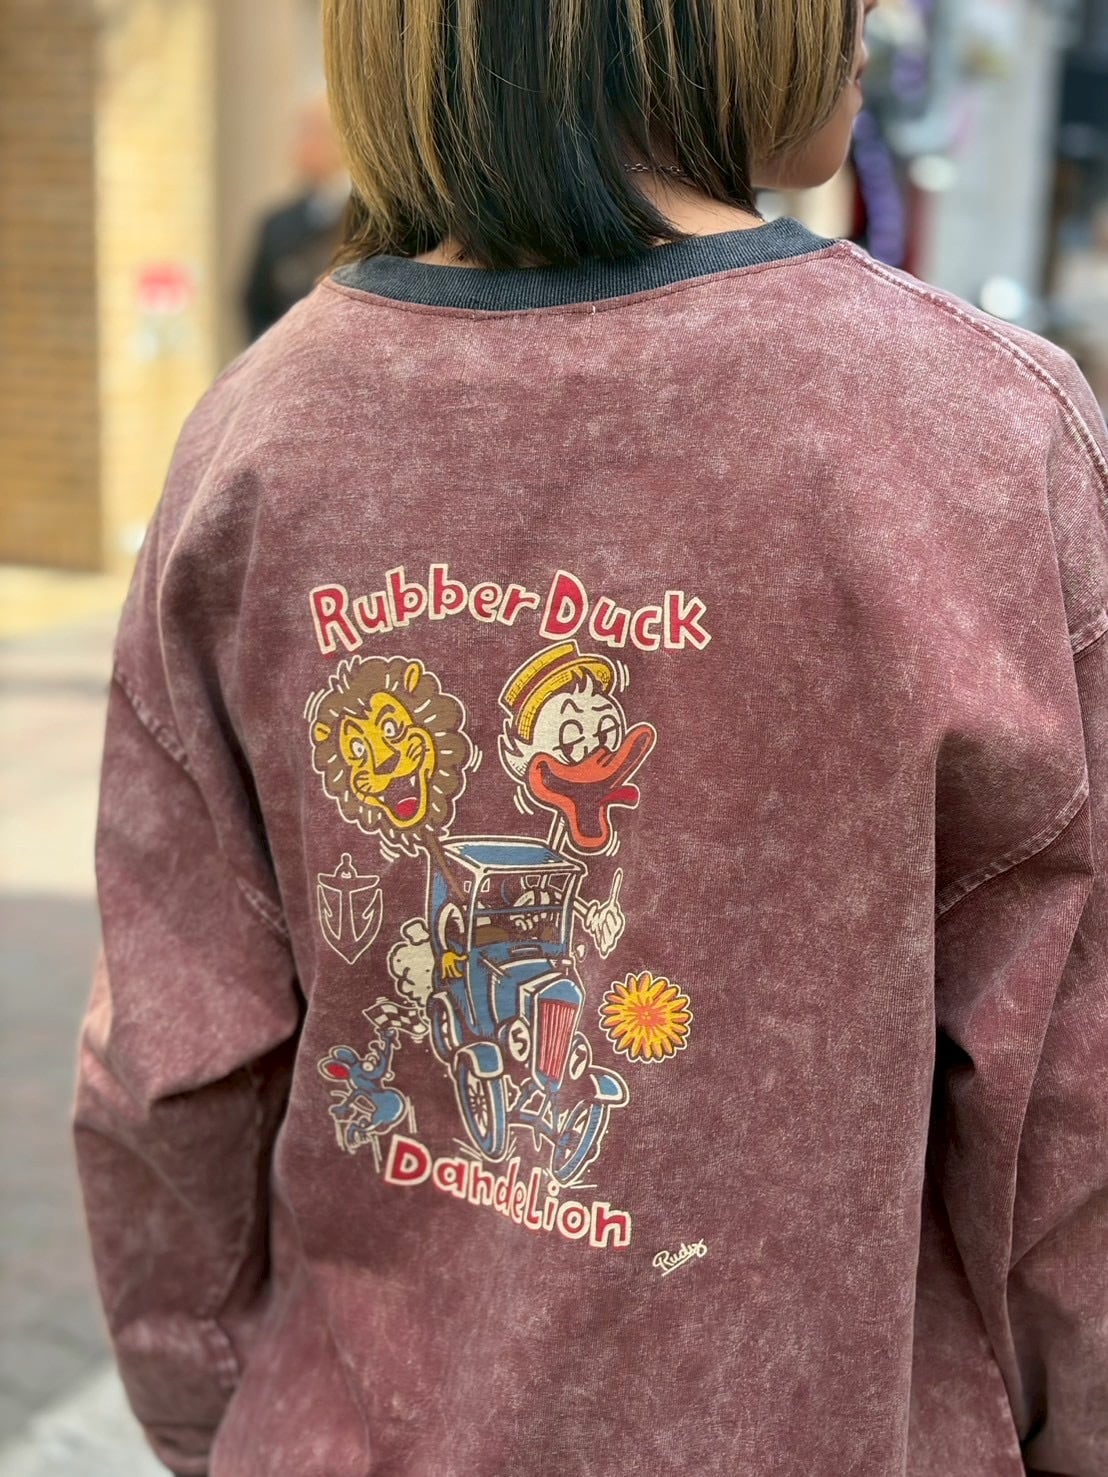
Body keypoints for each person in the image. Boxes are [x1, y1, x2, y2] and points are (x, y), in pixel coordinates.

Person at [73, 2, 1108, 1474]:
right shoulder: (981, 435)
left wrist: (227, 1411)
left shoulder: (257, 444)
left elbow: (167, 1066)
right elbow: (1073, 1098)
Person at [241, 97, 349, 340]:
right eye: (300, 132)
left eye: (312, 132)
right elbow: (256, 304)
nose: (300, 145)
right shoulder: (278, 225)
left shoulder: (376, 219)